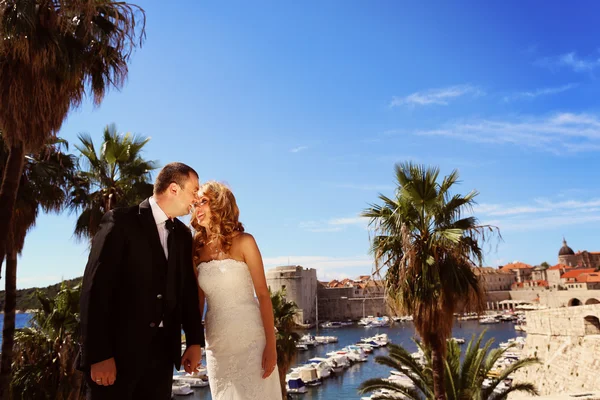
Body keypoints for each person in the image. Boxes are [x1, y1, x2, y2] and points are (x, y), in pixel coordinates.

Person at [78, 162, 205, 400]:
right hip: (116, 357)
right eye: (194, 190)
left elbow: (187, 291)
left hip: (162, 359)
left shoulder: (183, 235)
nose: (197, 198)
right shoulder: (120, 222)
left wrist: (194, 341)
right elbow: (94, 291)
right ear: (174, 189)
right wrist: (99, 355)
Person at [191, 181, 282, 400]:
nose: (197, 209)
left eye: (203, 202)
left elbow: (262, 295)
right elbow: (198, 302)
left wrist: (271, 346)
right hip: (217, 345)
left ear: (220, 205)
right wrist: (193, 343)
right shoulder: (196, 247)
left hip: (252, 342)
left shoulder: (245, 242)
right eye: (195, 204)